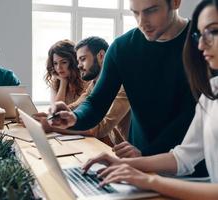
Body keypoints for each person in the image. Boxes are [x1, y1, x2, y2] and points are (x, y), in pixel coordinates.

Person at [49, 0, 207, 176]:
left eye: (151, 11)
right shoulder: (122, 48)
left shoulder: (205, 44)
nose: (142, 22)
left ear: (176, 2)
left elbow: (194, 115)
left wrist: (146, 155)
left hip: (194, 169)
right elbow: (96, 103)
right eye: (135, 13)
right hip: (137, 164)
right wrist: (74, 118)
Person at [81, 1, 218, 199]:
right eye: (200, 34)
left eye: (213, 32)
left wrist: (150, 181)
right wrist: (121, 164)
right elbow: (183, 158)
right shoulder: (212, 90)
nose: (200, 44)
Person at [36, 36, 131, 146]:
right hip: (116, 149)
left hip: (134, 153)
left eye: (83, 59)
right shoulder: (95, 83)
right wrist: (50, 116)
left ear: (101, 56)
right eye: (78, 61)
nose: (79, 66)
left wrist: (51, 126)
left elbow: (100, 129)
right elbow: (79, 106)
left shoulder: (122, 86)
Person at [44, 39, 86, 105]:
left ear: (74, 62)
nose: (58, 68)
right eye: (55, 63)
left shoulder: (86, 80)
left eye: (64, 62)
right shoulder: (56, 80)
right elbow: (55, 110)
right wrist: (63, 83)